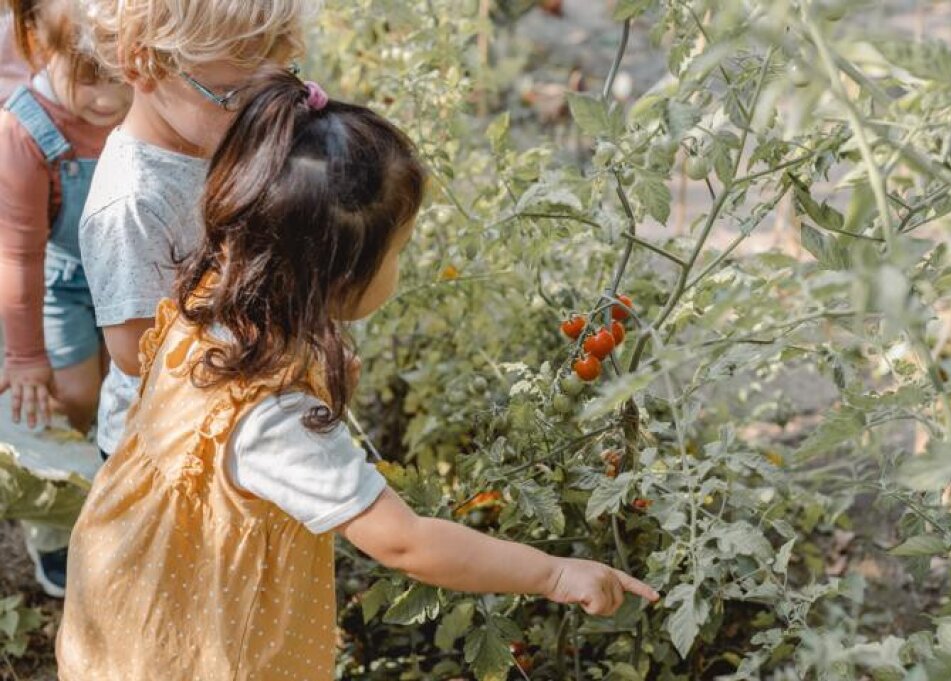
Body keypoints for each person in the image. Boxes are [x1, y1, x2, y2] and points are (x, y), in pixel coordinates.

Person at [56, 70, 660, 680]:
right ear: (337, 277)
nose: (403, 263)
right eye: (397, 251)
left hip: (132, 584)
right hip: (198, 643)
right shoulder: (274, 419)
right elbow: (406, 542)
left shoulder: (213, 300)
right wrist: (555, 573)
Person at [74, 0, 317, 461]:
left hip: (233, 413)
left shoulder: (213, 131)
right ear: (141, 63)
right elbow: (135, 352)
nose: (257, 115)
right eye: (232, 95)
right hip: (161, 451)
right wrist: (263, 355)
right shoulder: (132, 202)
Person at [0, 0, 130, 597]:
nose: (109, 100)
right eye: (90, 78)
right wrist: (26, 357)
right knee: (71, 396)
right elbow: (18, 256)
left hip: (133, 268)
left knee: (127, 396)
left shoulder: (150, 97)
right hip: (63, 278)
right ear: (39, 48)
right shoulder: (25, 131)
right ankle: (54, 522)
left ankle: (116, 512)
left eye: (123, 75)